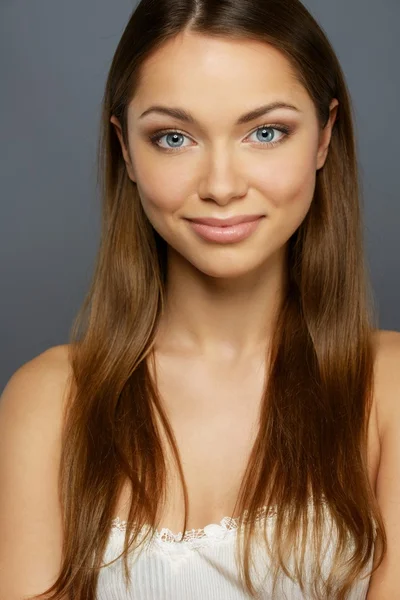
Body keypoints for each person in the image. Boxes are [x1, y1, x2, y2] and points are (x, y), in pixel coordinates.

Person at [1, 0, 399, 598]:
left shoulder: (389, 388)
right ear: (127, 150)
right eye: (174, 137)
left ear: (324, 138)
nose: (220, 185)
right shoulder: (50, 402)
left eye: (266, 132)